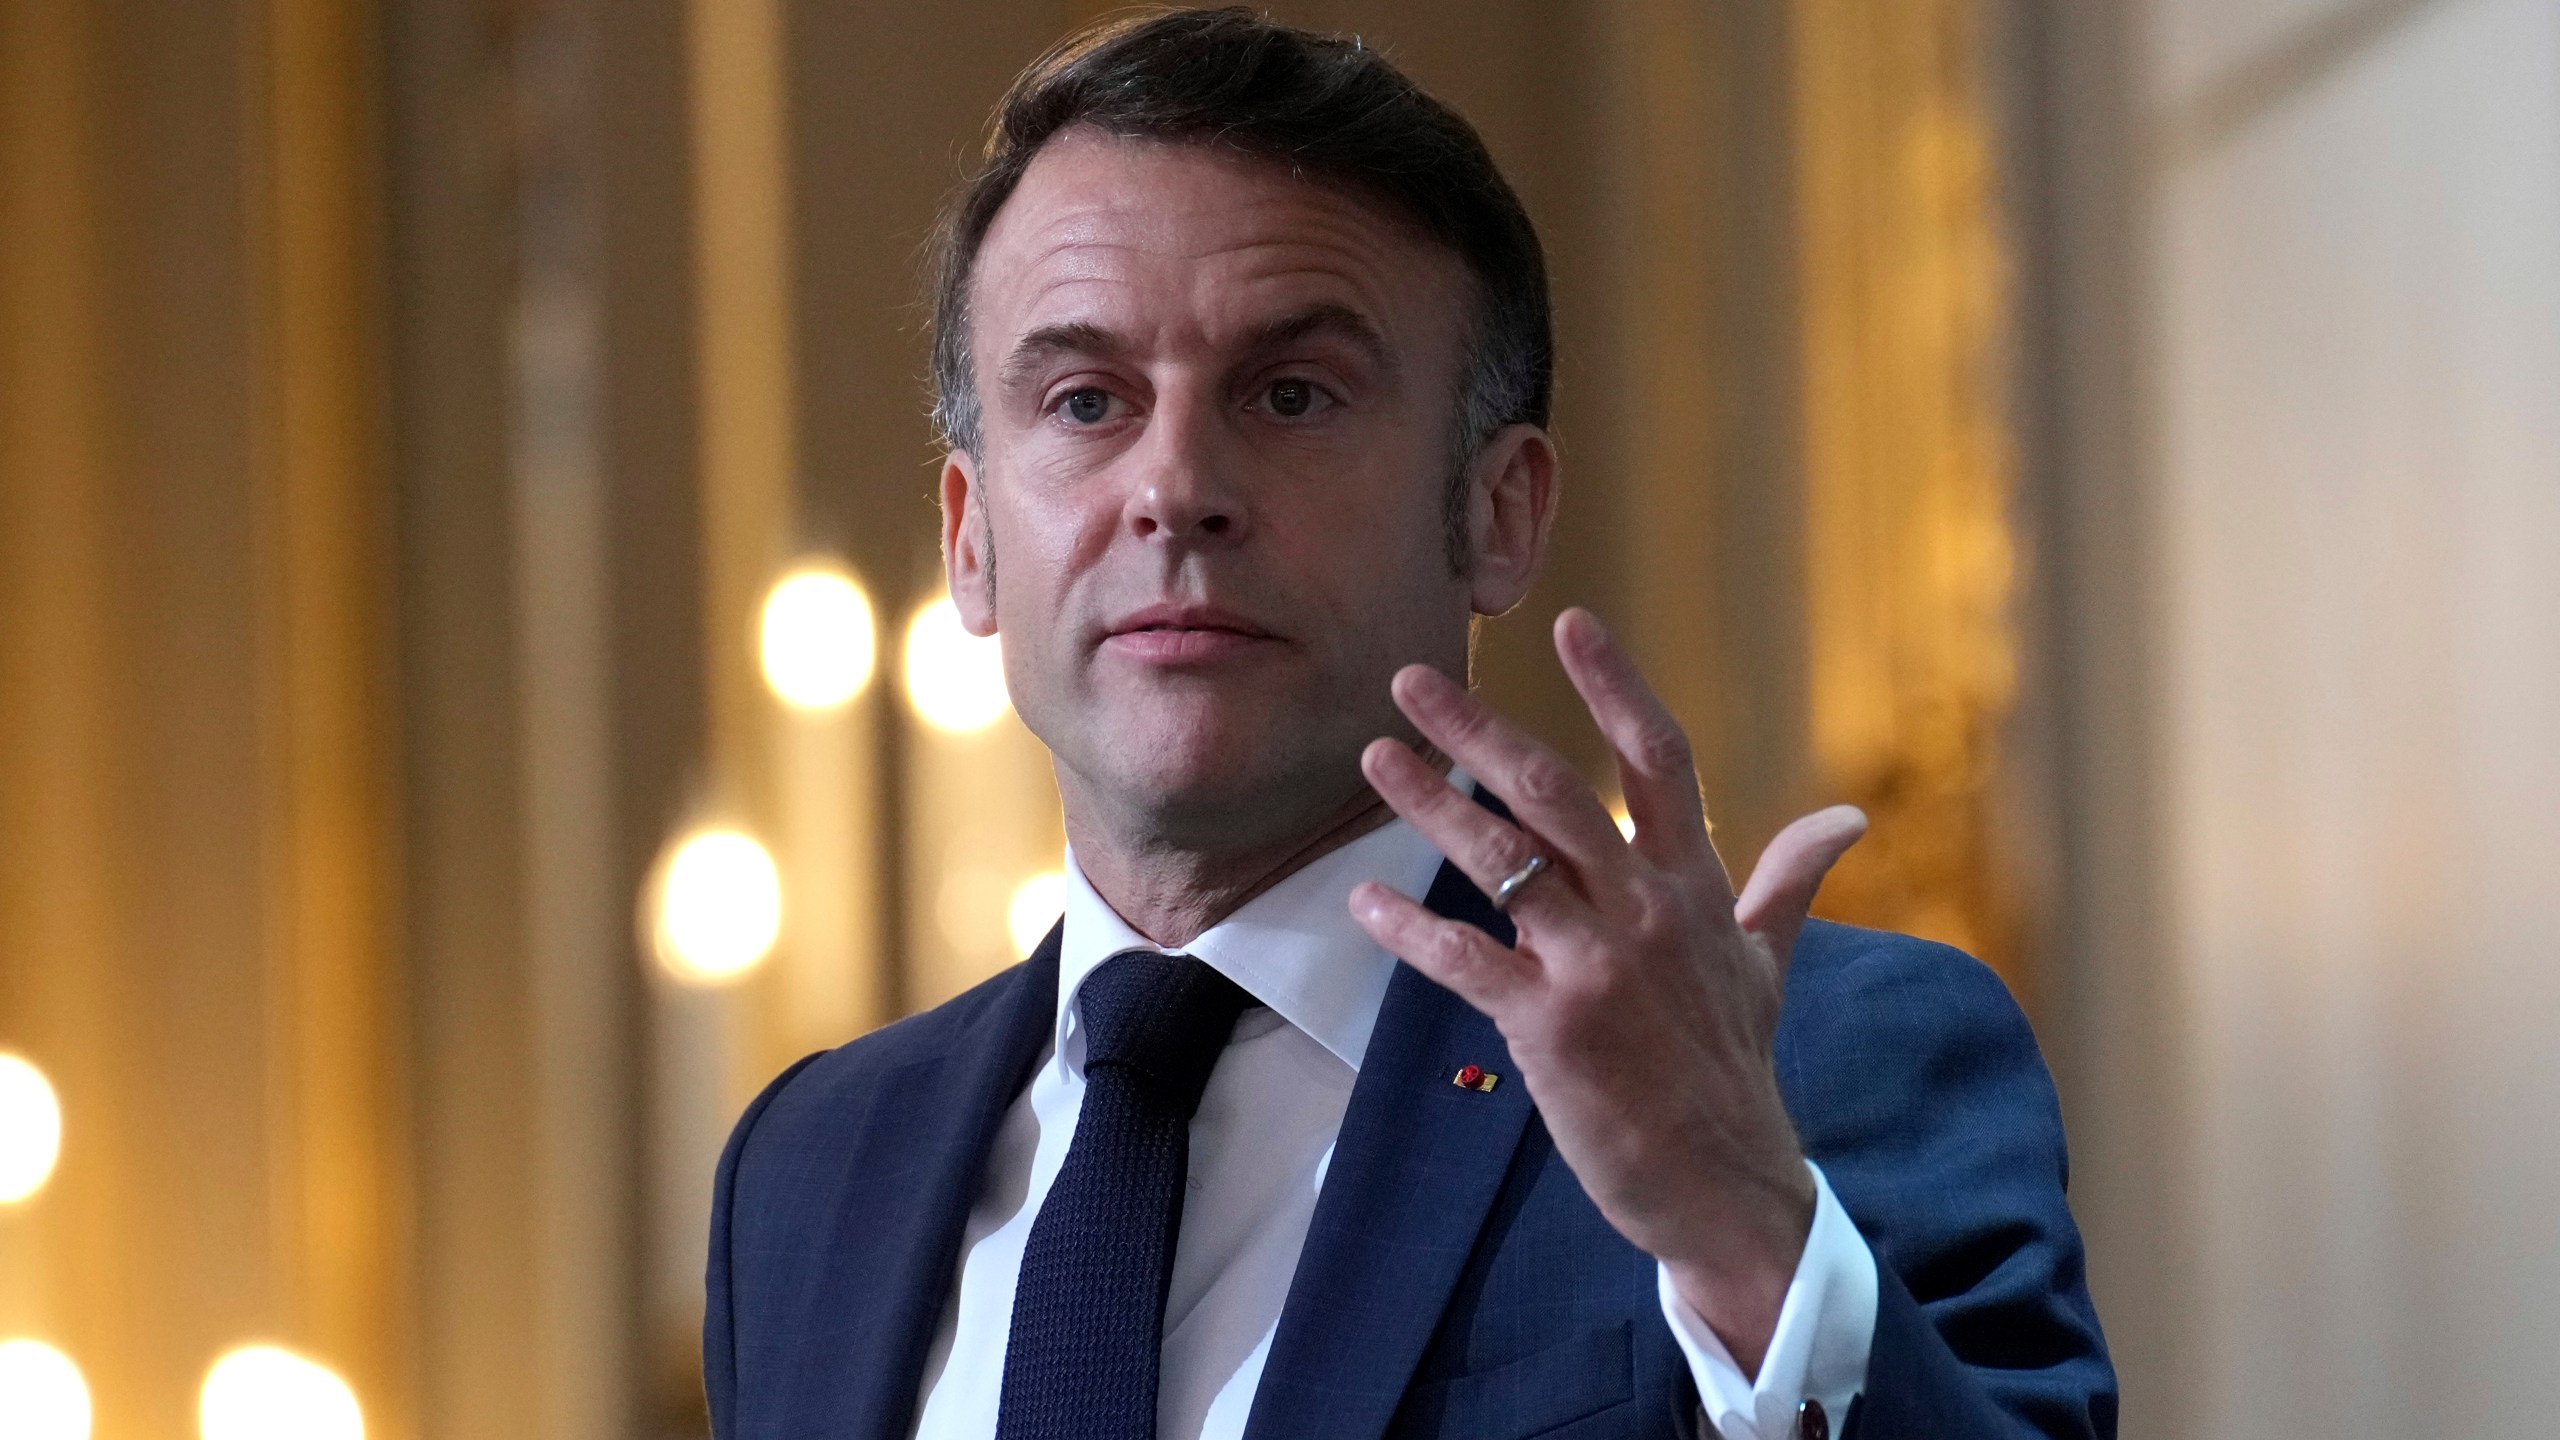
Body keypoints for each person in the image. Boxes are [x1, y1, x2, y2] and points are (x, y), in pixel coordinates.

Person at [703, 10, 2113, 1440]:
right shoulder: (812, 1175)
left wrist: (1750, 1239)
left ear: (1498, 512)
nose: (1176, 484)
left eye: (1293, 393)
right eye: (1085, 400)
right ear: (970, 540)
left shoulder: (1806, 1066)